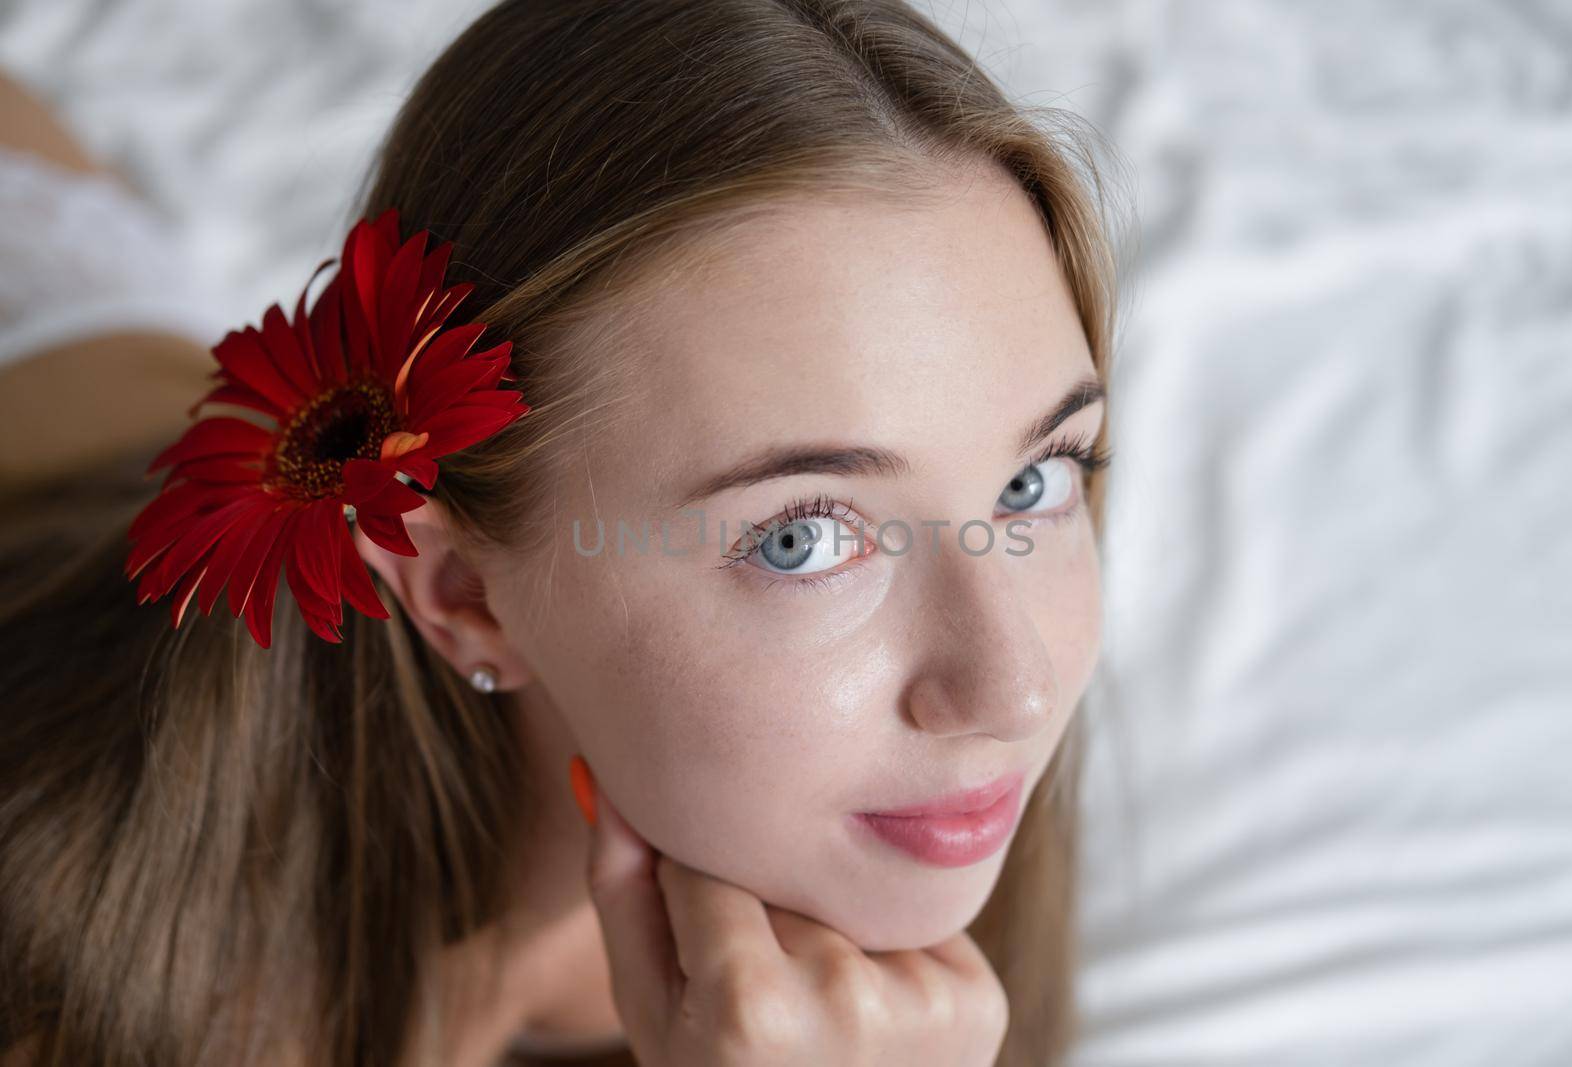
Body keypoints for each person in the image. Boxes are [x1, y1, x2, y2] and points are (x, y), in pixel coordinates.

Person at [0, 1, 1125, 1064]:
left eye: (1032, 480)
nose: (1015, 689)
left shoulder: (883, 866)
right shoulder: (87, 972)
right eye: (803, 539)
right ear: (463, 596)